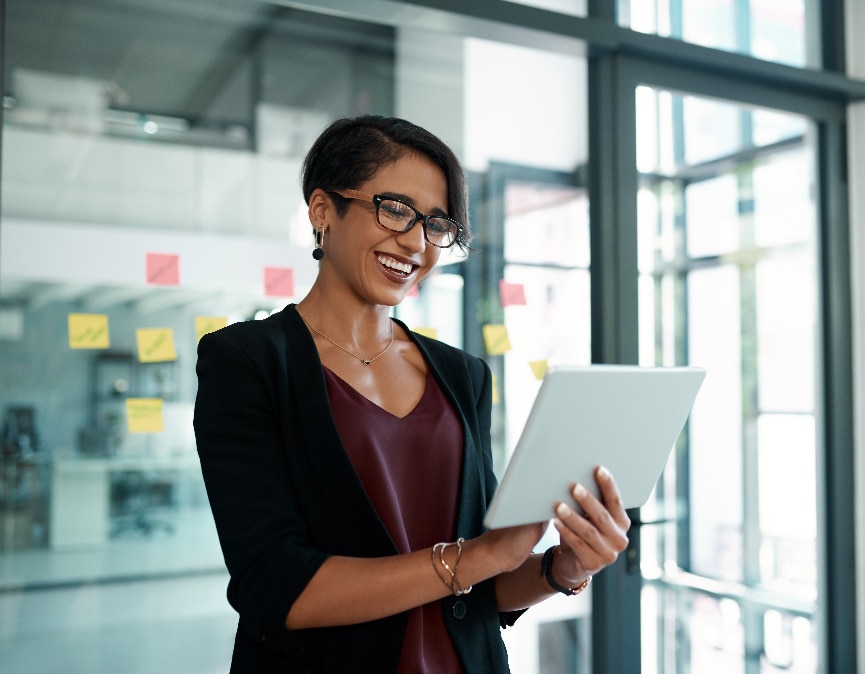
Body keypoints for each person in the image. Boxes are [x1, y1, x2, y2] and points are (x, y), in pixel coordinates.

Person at [193, 115, 631, 673]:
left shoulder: (463, 375)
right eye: (395, 209)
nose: (417, 242)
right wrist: (478, 556)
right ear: (323, 210)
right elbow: (277, 588)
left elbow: (482, 588)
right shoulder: (247, 361)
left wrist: (563, 569)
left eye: (436, 224)